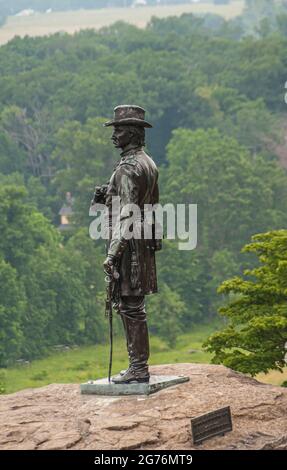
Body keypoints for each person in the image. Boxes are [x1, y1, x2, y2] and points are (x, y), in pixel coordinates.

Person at [103, 105, 159, 384]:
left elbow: (127, 214)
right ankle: (139, 366)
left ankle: (138, 368)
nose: (114, 135)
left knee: (129, 307)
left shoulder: (128, 168)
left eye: (119, 130)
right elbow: (149, 205)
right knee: (134, 306)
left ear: (134, 133)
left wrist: (113, 254)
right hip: (142, 243)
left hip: (129, 248)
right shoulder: (147, 162)